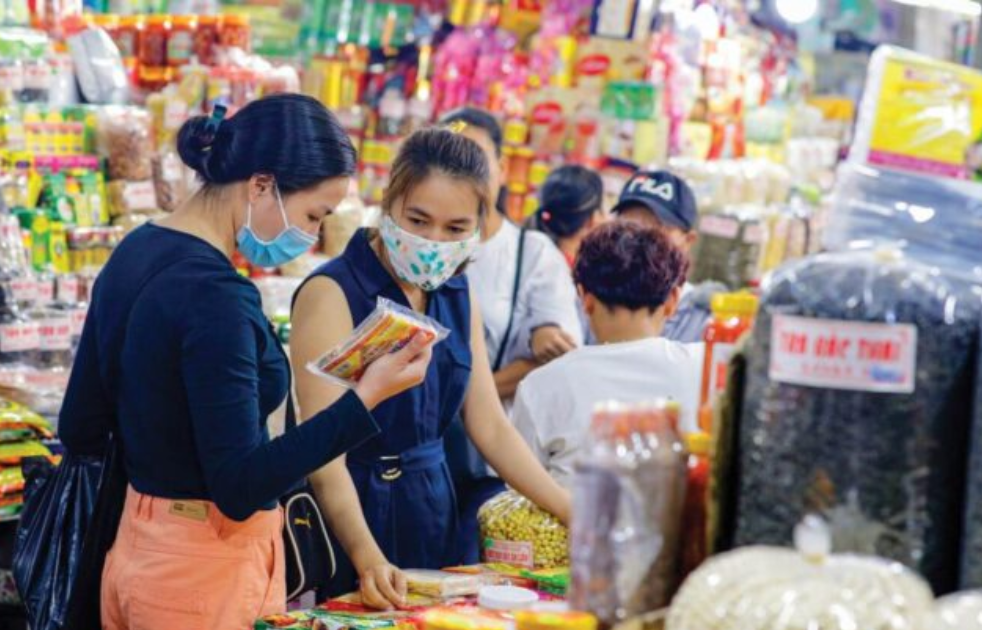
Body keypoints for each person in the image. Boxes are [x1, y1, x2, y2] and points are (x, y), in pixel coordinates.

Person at [58, 94, 434, 630]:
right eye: (312, 215)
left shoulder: (135, 250)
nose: (308, 237)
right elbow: (240, 487)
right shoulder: (217, 297)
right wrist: (365, 397)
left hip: (133, 554)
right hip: (201, 578)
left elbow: (80, 425)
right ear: (261, 185)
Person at [289, 126, 571, 609]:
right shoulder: (331, 292)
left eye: (455, 228)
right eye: (417, 220)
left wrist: (572, 511)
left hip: (433, 503)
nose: (432, 240)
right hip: (350, 509)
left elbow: (491, 428)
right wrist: (367, 556)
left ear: (481, 224)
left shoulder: (459, 295)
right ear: (389, 201)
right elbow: (323, 456)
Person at [437, 108, 582, 563]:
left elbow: (553, 358)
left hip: (491, 468)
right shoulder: (420, 252)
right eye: (449, 156)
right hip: (414, 463)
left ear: (501, 168)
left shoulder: (531, 254)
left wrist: (452, 390)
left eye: (476, 158)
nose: (462, 172)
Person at [511, 221, 704, 487]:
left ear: (585, 299)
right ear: (672, 301)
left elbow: (519, 493)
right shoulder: (704, 368)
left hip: (574, 525)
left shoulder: (541, 385)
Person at [609, 169, 724, 343]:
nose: (638, 241)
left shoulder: (703, 320)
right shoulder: (592, 298)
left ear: (688, 240)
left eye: (656, 229)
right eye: (628, 226)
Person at [533, 165, 608, 268]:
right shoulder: (578, 276)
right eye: (603, 210)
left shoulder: (534, 256)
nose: (607, 219)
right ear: (592, 219)